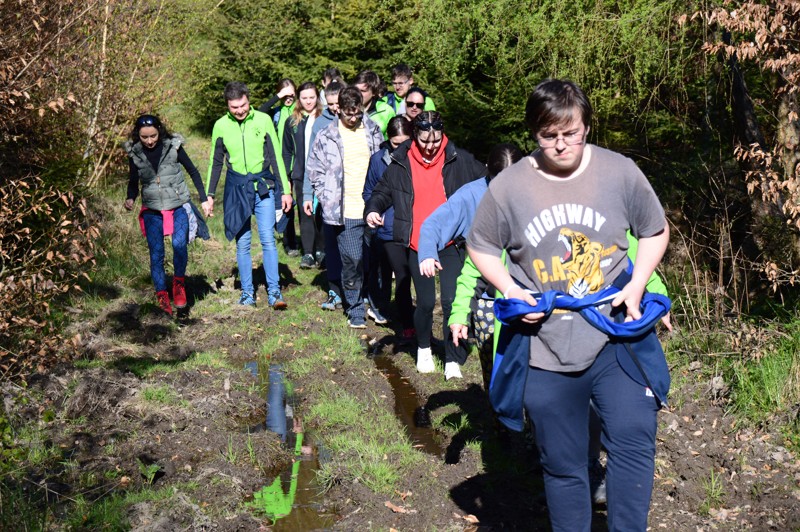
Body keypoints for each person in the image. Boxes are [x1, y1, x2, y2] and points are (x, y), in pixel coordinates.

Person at [467, 79, 670, 531]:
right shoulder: (508, 186)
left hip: (618, 335)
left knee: (634, 444)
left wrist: (637, 283)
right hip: (545, 347)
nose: (561, 145)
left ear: (586, 126)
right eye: (548, 135)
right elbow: (480, 245)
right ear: (534, 134)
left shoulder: (619, 172)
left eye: (571, 133)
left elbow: (655, 231)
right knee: (563, 465)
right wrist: (510, 288)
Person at [365, 112, 486, 375]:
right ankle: (423, 347)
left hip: (451, 241)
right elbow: (382, 191)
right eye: (424, 141)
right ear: (414, 136)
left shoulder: (458, 158)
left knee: (453, 301)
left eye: (436, 141)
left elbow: (486, 181)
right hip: (418, 242)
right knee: (428, 302)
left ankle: (453, 358)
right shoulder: (401, 161)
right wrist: (374, 209)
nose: (430, 146)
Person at [206, 81, 292, 309]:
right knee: (242, 243)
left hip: (263, 187)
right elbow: (215, 163)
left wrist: (285, 191)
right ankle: (247, 293)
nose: (240, 110)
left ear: (248, 100)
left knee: (267, 239)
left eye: (242, 105)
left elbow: (276, 158)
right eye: (234, 107)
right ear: (228, 105)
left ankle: (275, 293)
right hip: (236, 190)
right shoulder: (221, 126)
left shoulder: (263, 121)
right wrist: (210, 194)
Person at [307, 86, 383, 328]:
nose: (353, 118)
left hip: (373, 207)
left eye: (357, 113)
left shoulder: (372, 131)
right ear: (338, 109)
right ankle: (355, 308)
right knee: (352, 260)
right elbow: (314, 168)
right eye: (348, 114)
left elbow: (384, 162)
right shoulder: (326, 135)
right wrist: (324, 192)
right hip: (344, 209)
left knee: (375, 260)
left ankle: (376, 304)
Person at [124, 114, 211, 316]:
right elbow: (133, 179)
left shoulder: (173, 147)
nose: (150, 141)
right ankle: (162, 294)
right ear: (138, 136)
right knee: (157, 254)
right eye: (144, 137)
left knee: (179, 245)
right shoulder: (135, 153)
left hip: (178, 205)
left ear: (159, 132)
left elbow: (193, 171)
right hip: (152, 211)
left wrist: (204, 198)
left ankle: (178, 284)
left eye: (153, 136)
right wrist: (131, 197)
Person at [363, 116, 415, 329]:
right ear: (387, 140)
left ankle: (408, 317)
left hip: (412, 226)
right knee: (388, 271)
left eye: (405, 143)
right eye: (396, 144)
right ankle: (386, 311)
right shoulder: (378, 160)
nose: (401, 148)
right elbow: (369, 191)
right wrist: (375, 210)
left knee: (408, 274)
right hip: (387, 227)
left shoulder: (418, 159)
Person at [304, 80, 346, 310]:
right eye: (330, 104)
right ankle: (334, 291)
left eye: (337, 103)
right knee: (331, 244)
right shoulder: (320, 123)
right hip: (328, 196)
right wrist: (308, 195)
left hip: (351, 195)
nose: (334, 109)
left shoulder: (355, 120)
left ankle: (357, 290)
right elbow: (312, 162)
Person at [283, 81, 324, 269]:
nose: (308, 101)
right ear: (299, 99)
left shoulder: (326, 117)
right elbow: (287, 151)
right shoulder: (292, 121)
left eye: (312, 97)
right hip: (300, 174)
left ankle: (322, 250)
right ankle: (308, 252)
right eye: (304, 98)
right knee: (305, 213)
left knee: (322, 214)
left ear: (317, 97)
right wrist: (287, 177)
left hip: (323, 174)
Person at [260, 79, 299, 255]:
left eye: (291, 94)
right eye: (285, 95)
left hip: (298, 163)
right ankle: (289, 242)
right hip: (280, 166)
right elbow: (260, 112)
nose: (288, 98)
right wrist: (278, 97)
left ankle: (311, 245)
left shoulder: (300, 110)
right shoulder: (274, 113)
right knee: (286, 204)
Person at [352, 70, 396, 138]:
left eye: (363, 91)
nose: (358, 94)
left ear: (374, 92)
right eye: (356, 89)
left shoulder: (387, 111)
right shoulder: (347, 109)